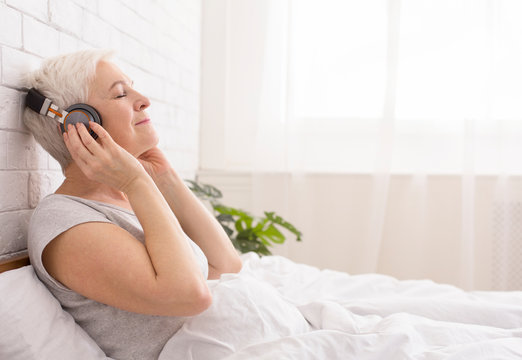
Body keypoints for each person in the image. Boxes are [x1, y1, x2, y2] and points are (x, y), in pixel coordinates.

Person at [23, 49, 242, 360]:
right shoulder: (63, 221)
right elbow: (190, 296)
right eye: (121, 94)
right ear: (80, 123)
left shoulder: (127, 201)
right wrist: (137, 183)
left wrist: (164, 179)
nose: (143, 99)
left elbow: (226, 267)